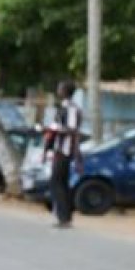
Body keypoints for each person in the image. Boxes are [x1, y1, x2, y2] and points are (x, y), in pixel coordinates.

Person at [44, 80, 83, 228]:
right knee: (61, 183)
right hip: (59, 149)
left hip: (64, 150)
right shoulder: (64, 107)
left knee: (57, 183)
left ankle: (64, 217)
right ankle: (64, 216)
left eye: (60, 88)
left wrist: (55, 129)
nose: (58, 90)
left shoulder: (71, 108)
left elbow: (72, 129)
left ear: (66, 91)